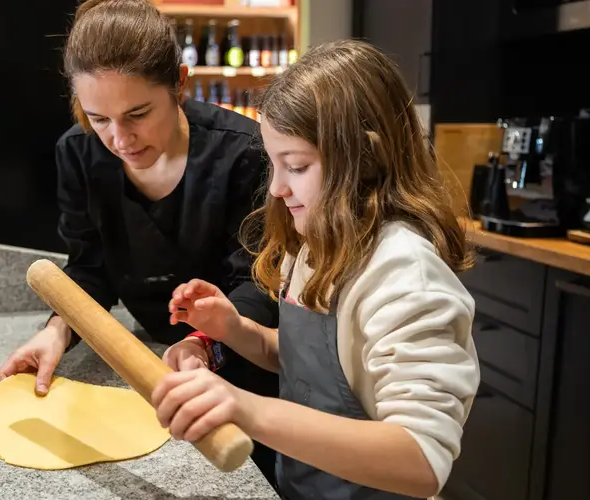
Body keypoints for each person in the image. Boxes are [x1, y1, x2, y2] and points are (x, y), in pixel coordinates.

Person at [151, 39, 481, 500]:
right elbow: (309, 366)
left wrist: (246, 409)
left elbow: (422, 458)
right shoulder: (313, 246)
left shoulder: (406, 276)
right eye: (274, 164)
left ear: (366, 159)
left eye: (298, 166)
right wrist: (234, 329)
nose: (277, 188)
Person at [0, 0, 280, 484]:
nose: (119, 138)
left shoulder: (243, 151)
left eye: (138, 113)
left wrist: (204, 344)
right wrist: (56, 331)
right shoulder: (79, 153)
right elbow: (89, 268)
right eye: (99, 118)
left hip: (244, 367)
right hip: (148, 357)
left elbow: (257, 282)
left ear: (180, 84)